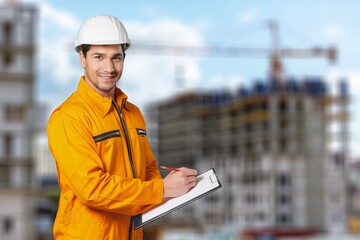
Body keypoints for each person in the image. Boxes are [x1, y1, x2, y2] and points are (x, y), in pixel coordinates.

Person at [47, 15, 197, 240]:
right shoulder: (69, 117)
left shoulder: (133, 113)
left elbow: (148, 169)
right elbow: (92, 189)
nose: (109, 68)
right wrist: (162, 190)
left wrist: (175, 188)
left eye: (116, 58)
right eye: (99, 57)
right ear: (82, 58)